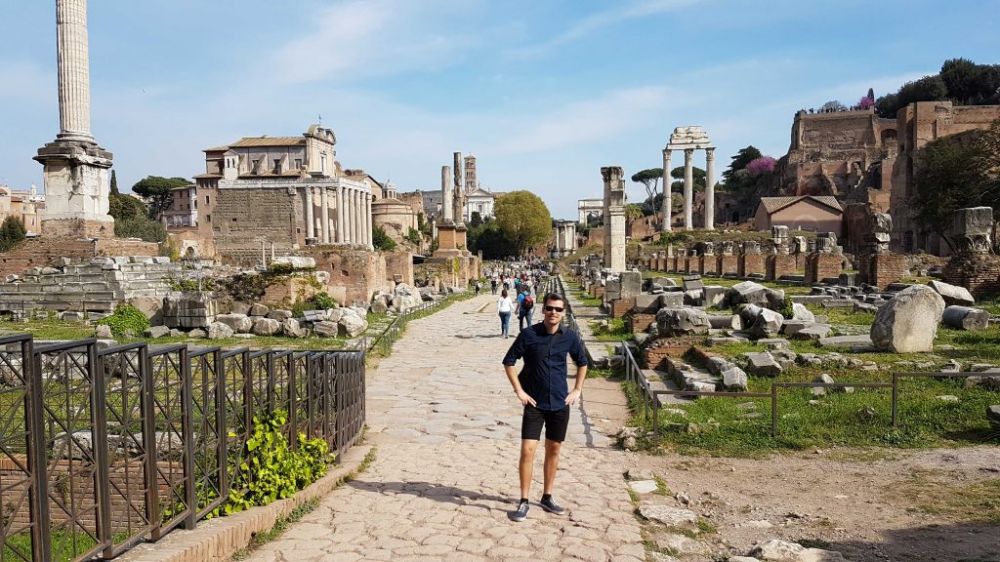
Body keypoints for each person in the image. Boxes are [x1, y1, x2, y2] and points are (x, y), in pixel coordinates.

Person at [502, 293, 588, 522]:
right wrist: (519, 391)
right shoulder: (529, 334)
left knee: (554, 449)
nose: (554, 313)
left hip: (560, 402)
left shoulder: (569, 337)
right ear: (543, 310)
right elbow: (509, 362)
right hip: (535, 403)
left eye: (558, 309)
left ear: (563, 312)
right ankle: (523, 500)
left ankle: (547, 496)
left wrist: (577, 390)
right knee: (528, 450)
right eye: (550, 308)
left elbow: (583, 362)